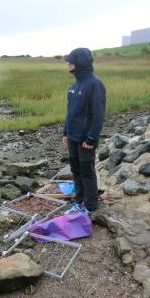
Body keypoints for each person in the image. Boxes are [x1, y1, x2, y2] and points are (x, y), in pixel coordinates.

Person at [62, 47, 106, 214]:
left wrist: (91, 138)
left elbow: (98, 114)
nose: (68, 64)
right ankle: (79, 200)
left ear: (79, 63)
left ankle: (90, 206)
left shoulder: (95, 84)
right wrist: (65, 133)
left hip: (85, 139)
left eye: (71, 62)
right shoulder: (74, 86)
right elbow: (70, 112)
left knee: (87, 171)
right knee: (75, 169)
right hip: (72, 137)